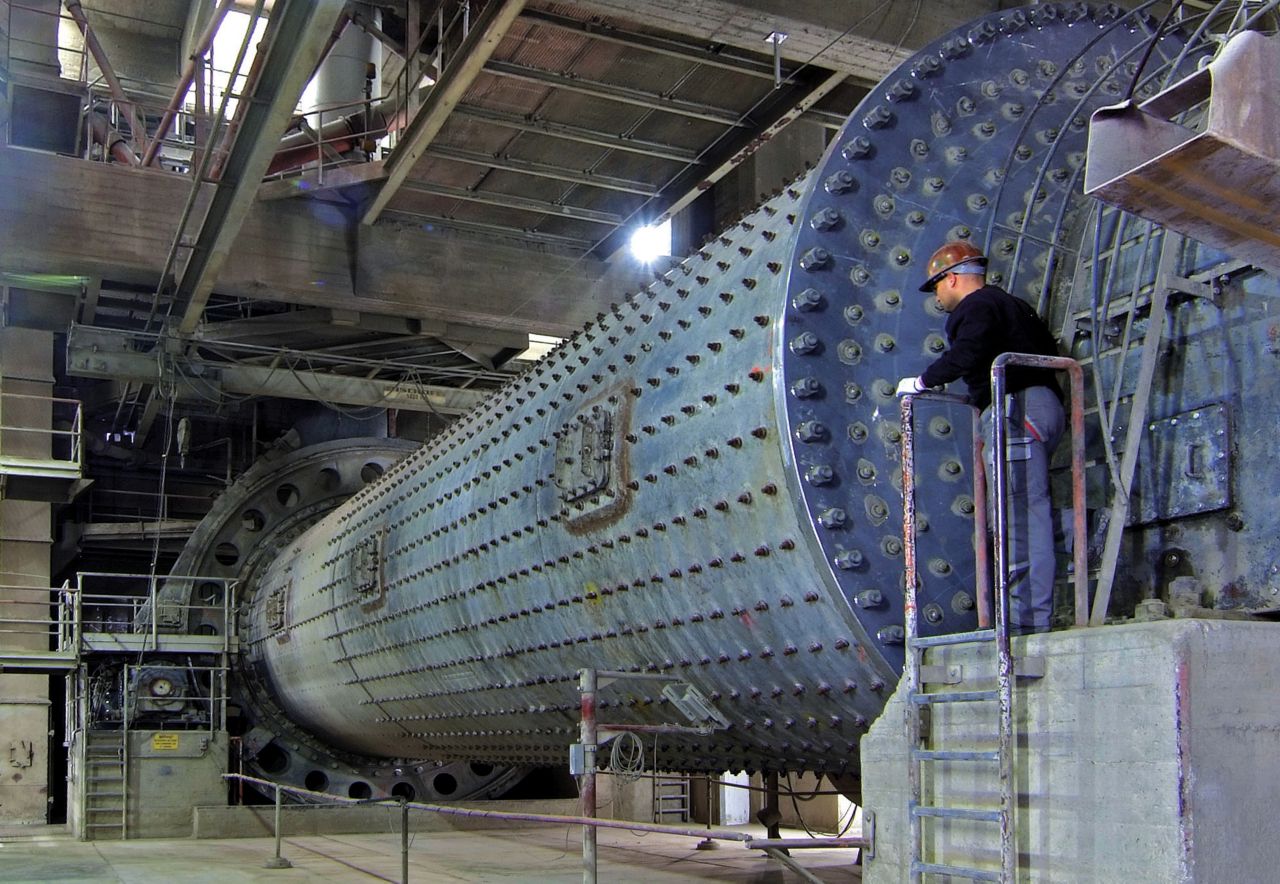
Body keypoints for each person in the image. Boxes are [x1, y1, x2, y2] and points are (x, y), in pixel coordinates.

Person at [896, 241, 1065, 634]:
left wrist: (923, 381)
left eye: (936, 286)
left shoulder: (976, 307)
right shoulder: (1015, 306)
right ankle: (1039, 600)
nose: (937, 296)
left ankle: (1026, 625)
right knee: (1031, 509)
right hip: (1045, 410)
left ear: (951, 278)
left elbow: (970, 351)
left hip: (1015, 412)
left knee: (1018, 518)